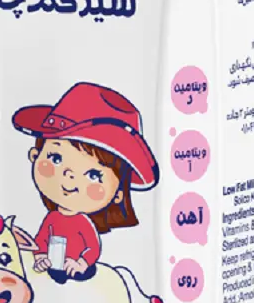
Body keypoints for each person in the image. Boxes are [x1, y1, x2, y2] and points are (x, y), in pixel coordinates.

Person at [12, 82, 159, 283]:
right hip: (54, 267)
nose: (69, 175)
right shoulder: (53, 218)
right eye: (56, 158)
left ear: (118, 193)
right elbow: (41, 240)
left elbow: (92, 248)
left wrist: (81, 262)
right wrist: (40, 257)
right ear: (35, 156)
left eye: (93, 175)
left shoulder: (83, 223)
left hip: (79, 271)